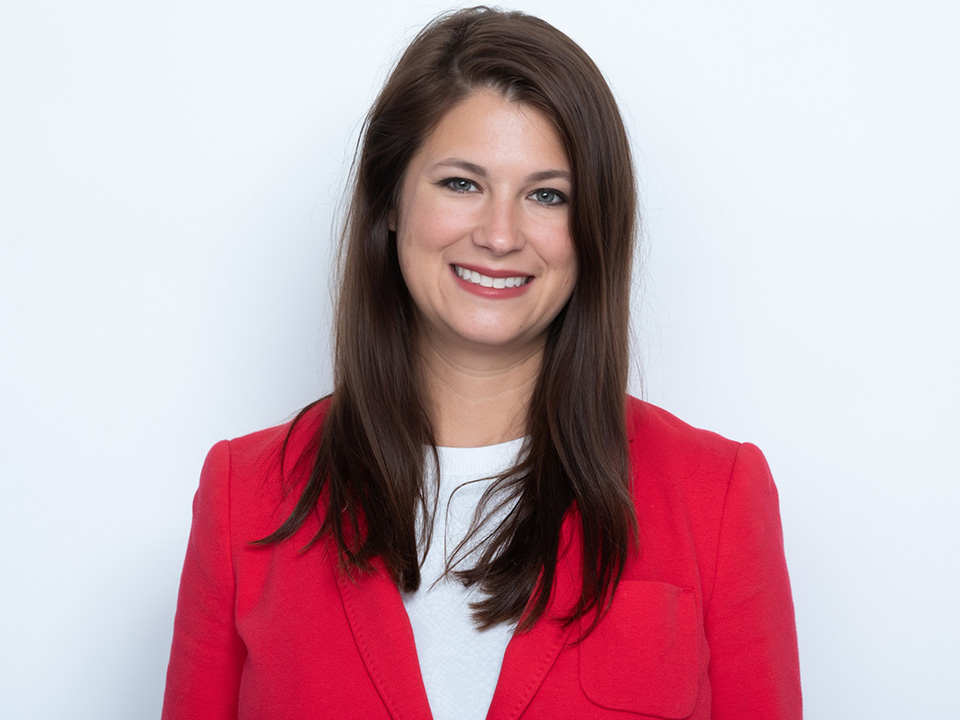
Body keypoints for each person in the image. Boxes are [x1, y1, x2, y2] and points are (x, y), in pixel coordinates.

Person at [162, 7, 801, 719]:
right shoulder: (242, 497)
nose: (500, 234)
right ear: (391, 202)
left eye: (547, 195)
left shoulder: (718, 497)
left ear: (593, 229)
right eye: (461, 183)